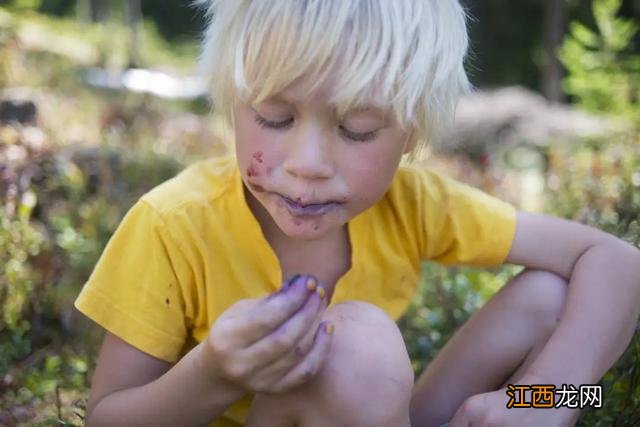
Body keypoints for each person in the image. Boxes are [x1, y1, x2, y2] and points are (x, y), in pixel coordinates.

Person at [74, 1, 640, 426]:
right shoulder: (174, 224)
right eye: (274, 118)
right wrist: (214, 375)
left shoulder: (414, 203)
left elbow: (616, 260)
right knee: (355, 344)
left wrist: (545, 398)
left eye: (356, 130)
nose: (308, 165)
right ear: (231, 103)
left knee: (548, 297)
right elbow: (107, 417)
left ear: (411, 133)